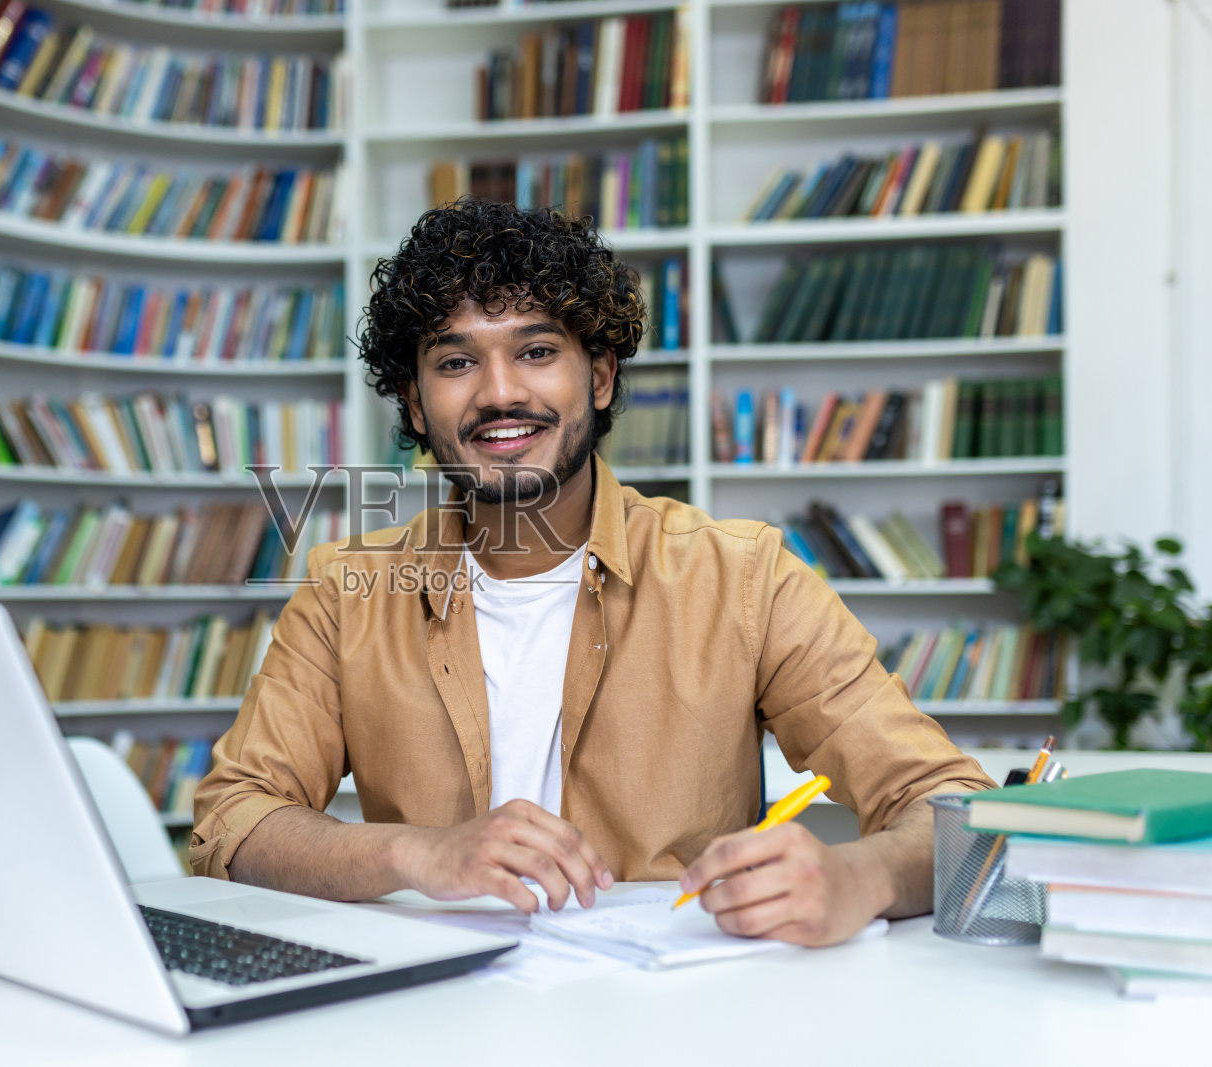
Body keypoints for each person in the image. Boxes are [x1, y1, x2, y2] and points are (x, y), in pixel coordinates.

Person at [190, 199, 995, 947]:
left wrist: (858, 874)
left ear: (600, 376)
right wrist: (418, 856)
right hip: (431, 1014)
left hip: (673, 1014)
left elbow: (957, 809)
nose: (500, 393)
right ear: (413, 403)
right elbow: (232, 819)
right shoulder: (344, 591)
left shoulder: (743, 576)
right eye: (456, 361)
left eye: (537, 351)